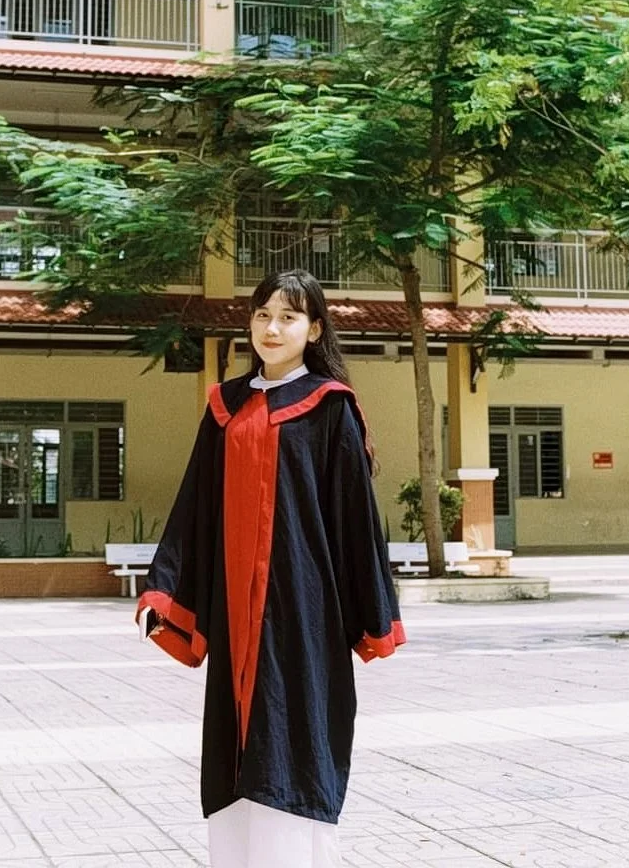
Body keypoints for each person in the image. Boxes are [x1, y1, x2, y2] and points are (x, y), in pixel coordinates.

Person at [136, 268, 405, 868]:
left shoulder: (331, 408)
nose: (272, 327)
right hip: (236, 608)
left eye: (288, 316)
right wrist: (166, 592)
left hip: (301, 607)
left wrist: (373, 614)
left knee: (293, 728)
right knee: (237, 740)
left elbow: (354, 519)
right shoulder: (224, 408)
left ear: (313, 329)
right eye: (262, 315)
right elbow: (196, 506)